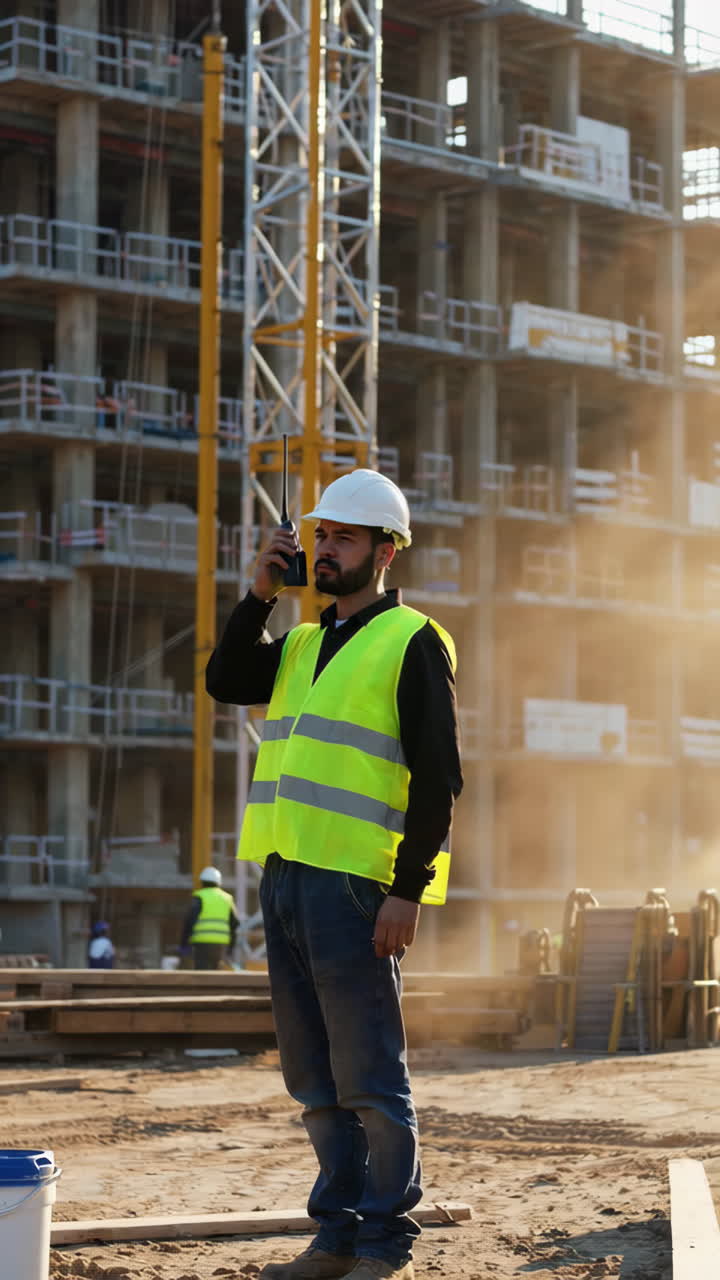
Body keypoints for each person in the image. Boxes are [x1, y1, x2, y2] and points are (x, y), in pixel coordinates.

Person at [206, 469, 463, 1280]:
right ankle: (336, 1236)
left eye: (343, 538)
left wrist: (407, 891)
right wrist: (257, 595)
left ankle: (386, 1245)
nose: (324, 549)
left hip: (356, 887)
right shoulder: (304, 644)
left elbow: (438, 779)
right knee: (312, 1075)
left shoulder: (412, 641)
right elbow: (225, 681)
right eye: (319, 536)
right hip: (284, 879)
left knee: (370, 1076)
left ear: (385, 551)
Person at [179, 866, 239, 970]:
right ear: (219, 882)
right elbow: (235, 924)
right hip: (221, 944)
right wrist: (231, 948)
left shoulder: (199, 896)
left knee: (202, 975)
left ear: (202, 882)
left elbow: (190, 920)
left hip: (201, 944)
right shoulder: (227, 898)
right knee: (216, 975)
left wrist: (184, 943)